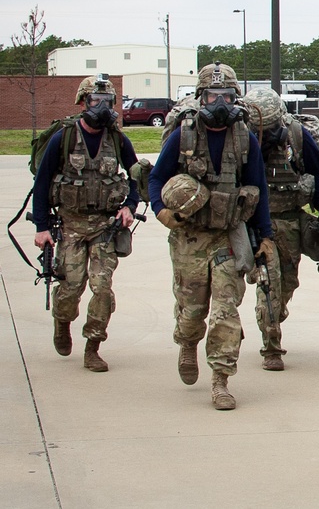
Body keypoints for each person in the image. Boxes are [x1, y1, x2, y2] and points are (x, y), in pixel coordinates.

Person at [148, 62, 274, 411]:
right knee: (192, 309)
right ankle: (187, 343)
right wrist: (161, 209)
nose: (220, 102)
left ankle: (221, 379)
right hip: (189, 236)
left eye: (227, 95)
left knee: (226, 308)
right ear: (200, 98)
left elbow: (258, 187)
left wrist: (264, 235)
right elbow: (156, 178)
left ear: (237, 99)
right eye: (212, 95)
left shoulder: (244, 137)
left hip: (227, 235)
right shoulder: (183, 136)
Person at [31, 75, 140, 372]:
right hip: (70, 226)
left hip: (105, 227)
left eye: (107, 102)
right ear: (83, 103)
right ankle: (62, 322)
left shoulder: (118, 140)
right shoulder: (63, 138)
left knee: (102, 288)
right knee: (70, 288)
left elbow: (136, 178)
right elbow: (41, 185)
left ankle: (93, 346)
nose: (102, 107)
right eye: (95, 101)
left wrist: (130, 206)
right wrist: (41, 227)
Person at [242, 88, 319, 372]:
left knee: (287, 284)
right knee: (269, 285)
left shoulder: (296, 135)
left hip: (291, 221)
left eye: (268, 128)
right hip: (256, 223)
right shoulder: (241, 138)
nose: (264, 134)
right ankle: (271, 346)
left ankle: (271, 319)